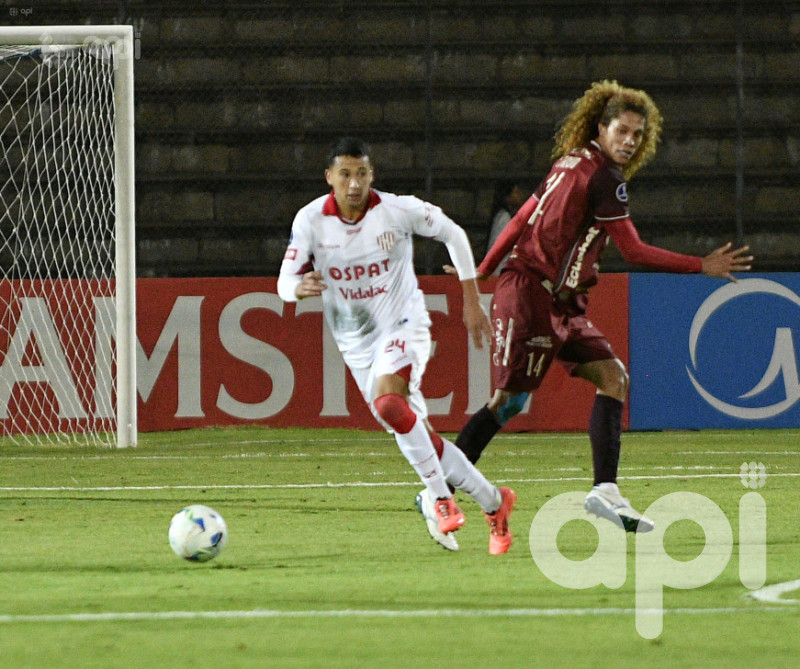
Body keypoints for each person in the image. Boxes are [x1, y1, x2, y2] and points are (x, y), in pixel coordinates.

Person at [448, 81, 753, 533]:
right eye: (622, 131)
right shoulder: (604, 177)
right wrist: (699, 265)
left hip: (560, 301)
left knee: (613, 377)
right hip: (534, 294)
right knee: (508, 403)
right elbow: (633, 251)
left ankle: (605, 491)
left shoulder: (570, 161)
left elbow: (519, 220)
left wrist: (483, 271)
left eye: (636, 134)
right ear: (601, 127)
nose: (629, 141)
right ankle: (439, 488)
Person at [277, 137, 516, 554]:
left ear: (372, 175)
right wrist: (297, 287)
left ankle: (439, 499)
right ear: (330, 177)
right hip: (355, 345)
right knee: (417, 432)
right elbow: (283, 282)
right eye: (346, 174)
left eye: (362, 173)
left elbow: (453, 233)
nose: (354, 184)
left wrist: (470, 297)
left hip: (405, 325)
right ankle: (494, 503)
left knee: (389, 404)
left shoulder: (397, 210)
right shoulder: (310, 220)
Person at [486, 180, 526, 275]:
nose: (520, 196)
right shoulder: (504, 217)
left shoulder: (501, 216)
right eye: (516, 193)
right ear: (507, 197)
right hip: (500, 269)